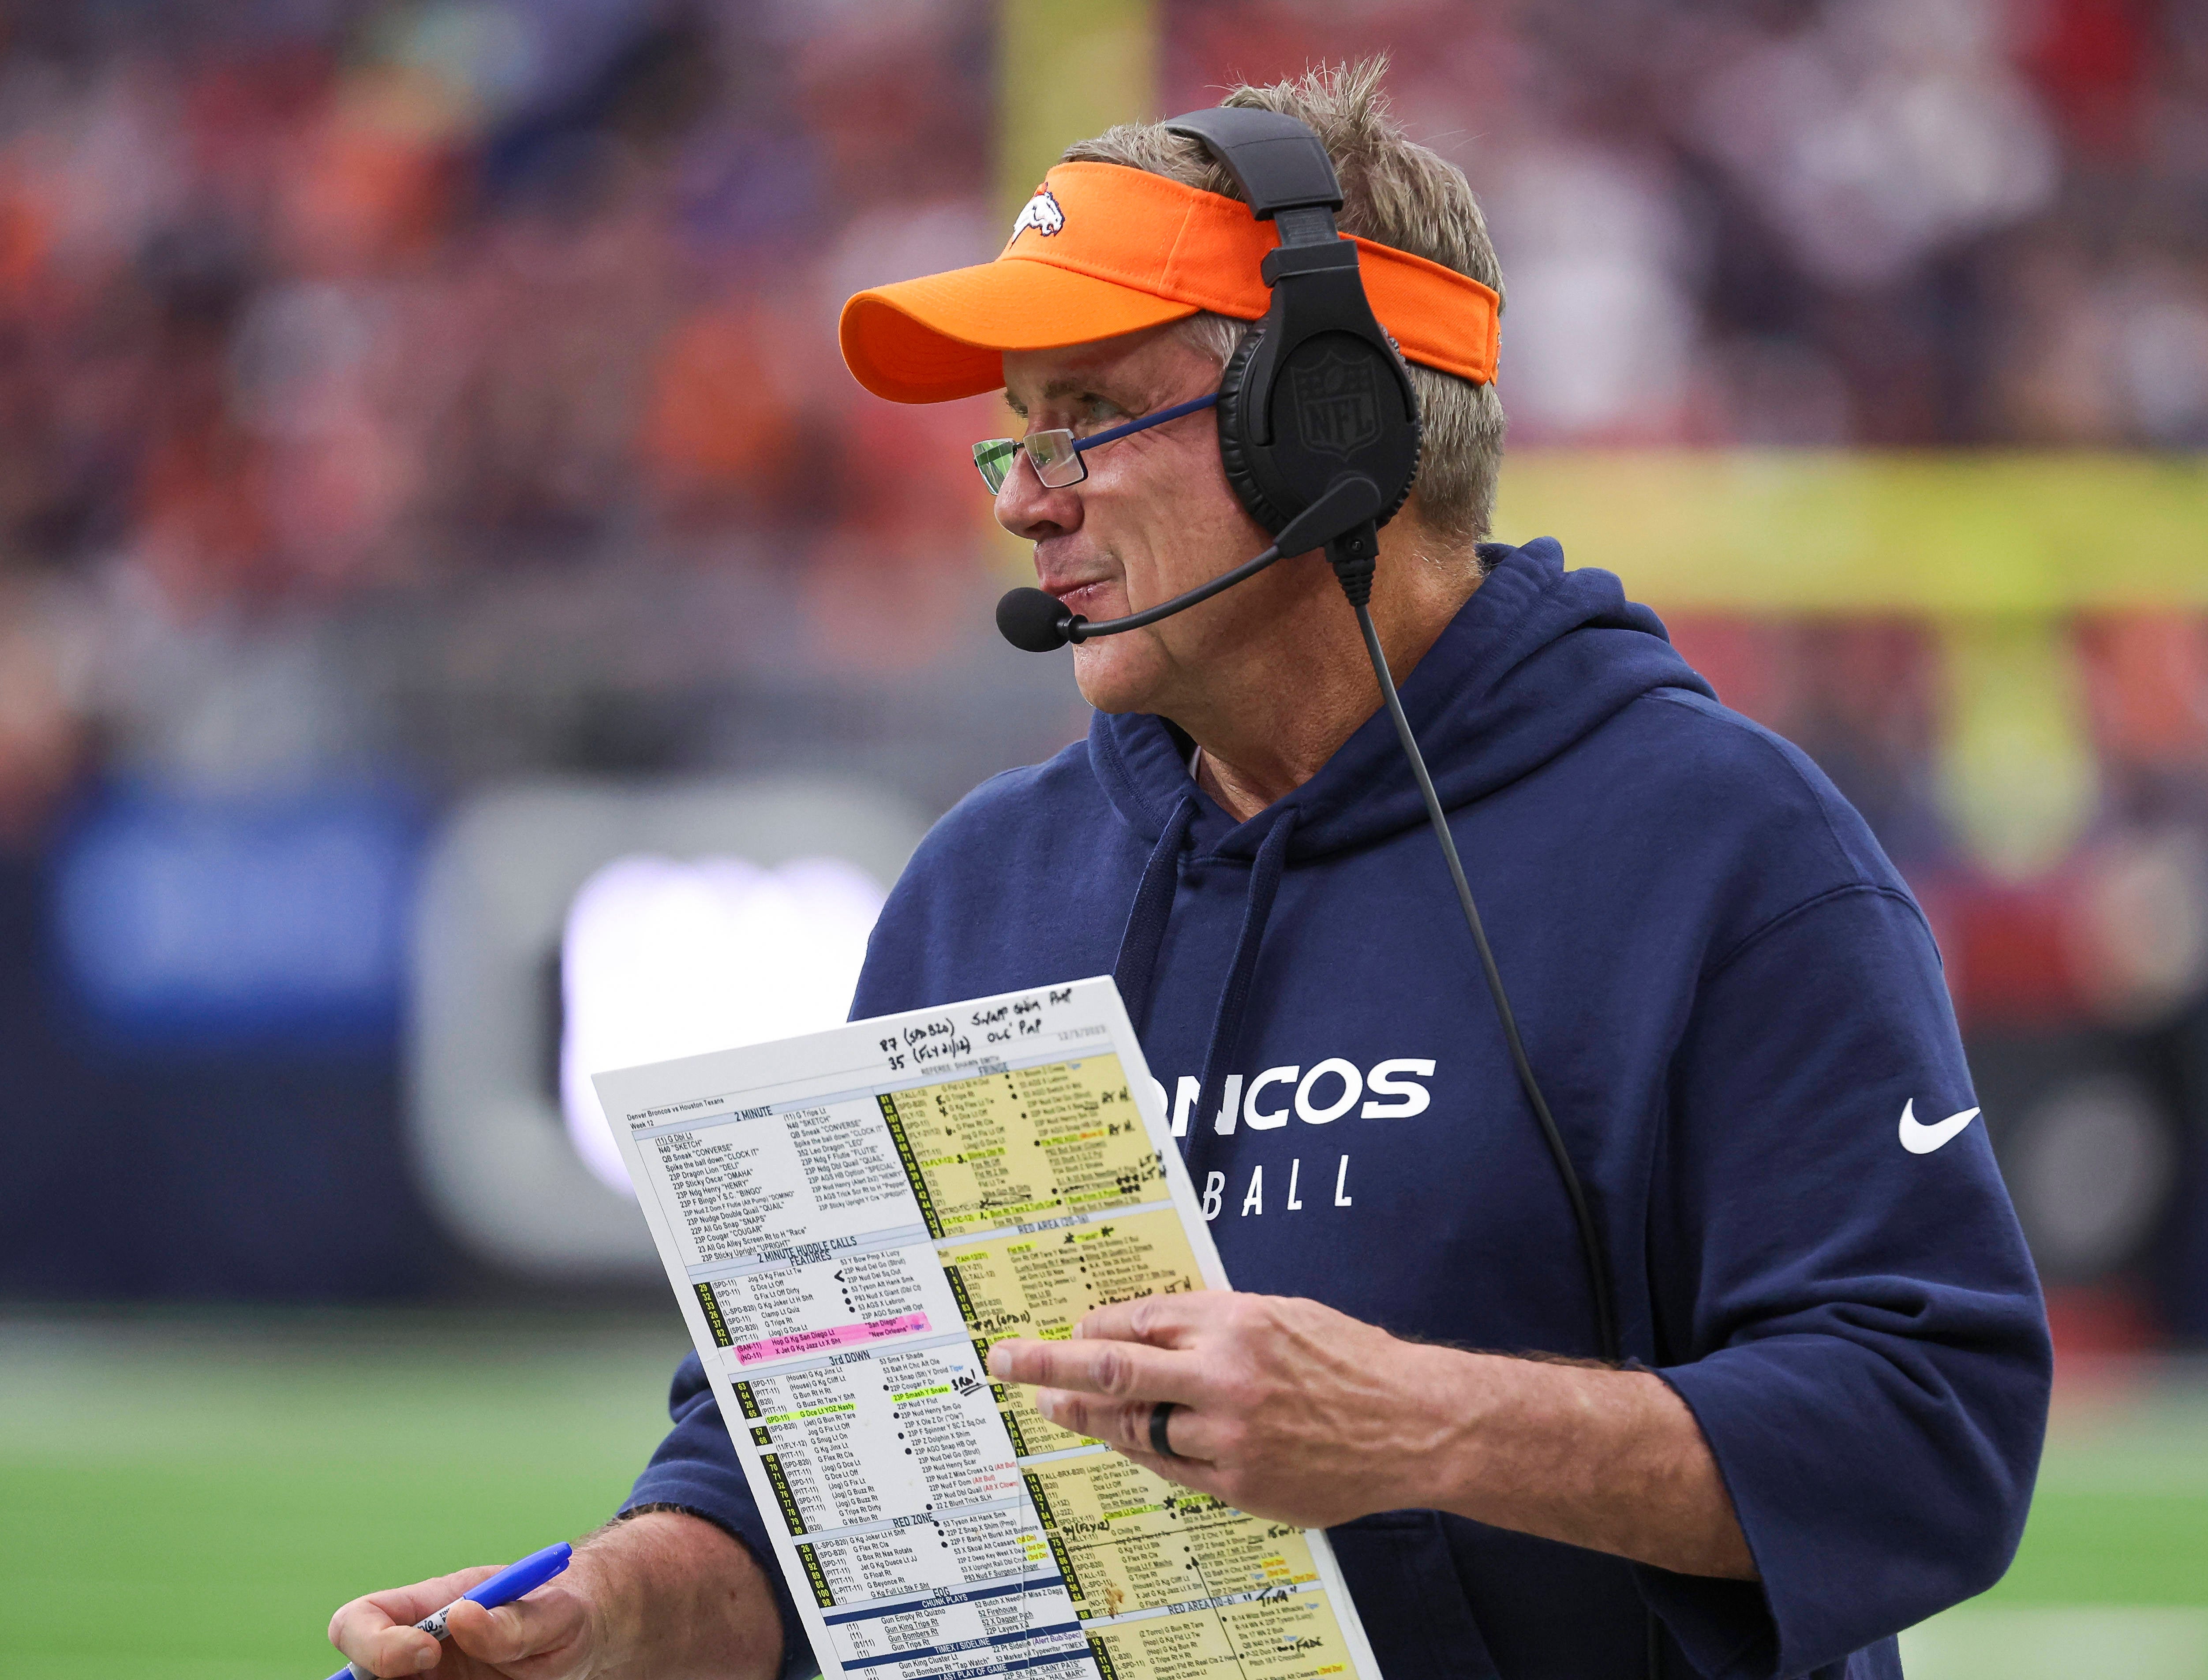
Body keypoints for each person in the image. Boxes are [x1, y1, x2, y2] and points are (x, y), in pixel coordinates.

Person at [332, 61, 2048, 1680]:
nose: (1025, 499)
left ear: (1327, 421)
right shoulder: (978, 888)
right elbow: (810, 1499)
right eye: (1018, 433)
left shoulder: (1722, 847)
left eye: (1086, 416)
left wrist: (1415, 1422)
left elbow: (1930, 1435)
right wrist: (618, 1611)